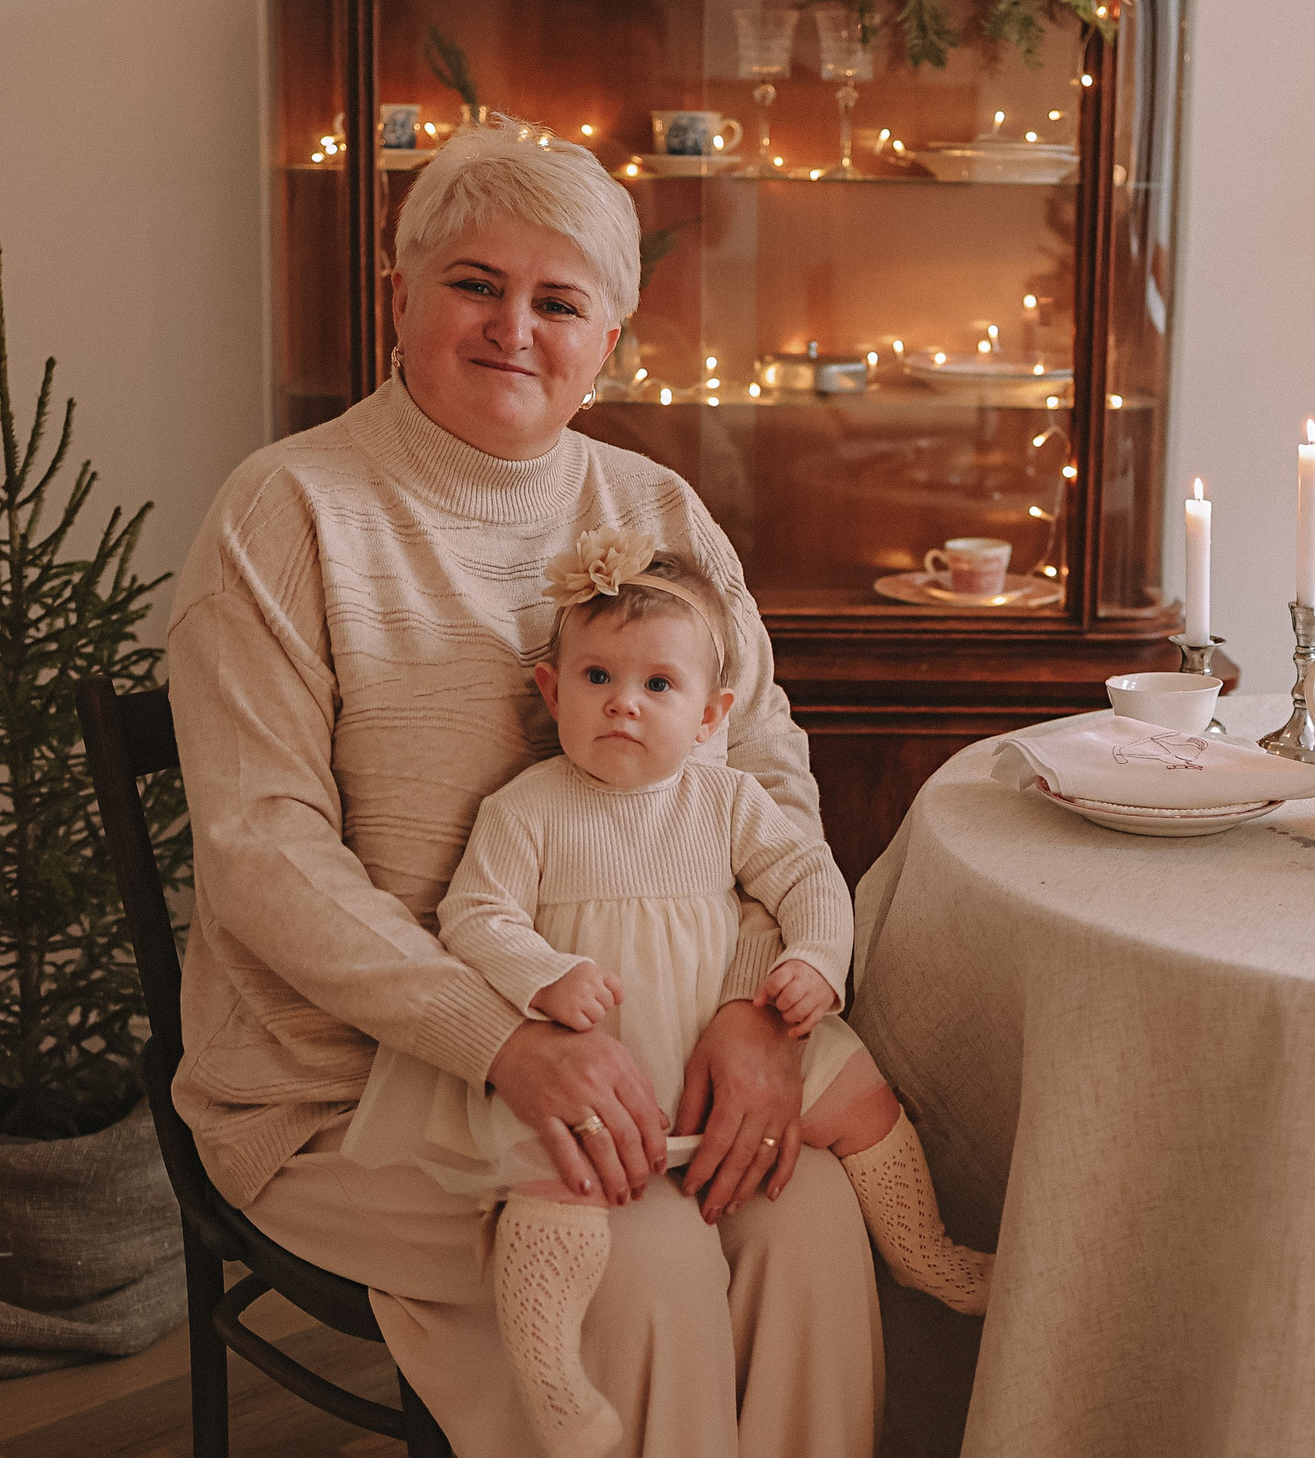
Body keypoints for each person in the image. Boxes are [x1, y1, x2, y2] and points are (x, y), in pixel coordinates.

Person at [165, 114, 882, 1455]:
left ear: (607, 342)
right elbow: (263, 857)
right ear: (399, 294)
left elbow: (766, 768)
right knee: (650, 1256)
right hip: (347, 1087)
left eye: (559, 301)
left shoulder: (660, 509)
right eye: (474, 284)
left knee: (815, 1210)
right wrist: (503, 1040)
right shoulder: (290, 510)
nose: (514, 327)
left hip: (663, 1043)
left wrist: (758, 1013)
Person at [343, 532, 990, 1458]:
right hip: (601, 1059)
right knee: (550, 1190)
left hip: (710, 1043)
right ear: (549, 690)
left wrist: (814, 957)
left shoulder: (724, 800)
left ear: (710, 713)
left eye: (658, 686)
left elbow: (806, 875)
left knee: (866, 1106)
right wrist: (544, 973)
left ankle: (927, 1252)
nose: (622, 705)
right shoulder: (526, 808)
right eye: (597, 676)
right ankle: (550, 1370)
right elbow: (475, 915)